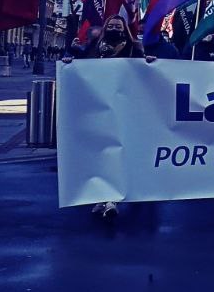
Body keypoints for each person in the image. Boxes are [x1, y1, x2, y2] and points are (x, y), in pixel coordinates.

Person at [60, 15, 155, 220]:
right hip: (97, 106)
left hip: (123, 107)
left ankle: (111, 197)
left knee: (117, 151)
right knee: (100, 151)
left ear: (124, 29)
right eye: (110, 25)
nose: (114, 28)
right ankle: (101, 196)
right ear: (105, 28)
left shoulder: (133, 47)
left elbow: (142, 71)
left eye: (117, 26)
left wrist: (149, 63)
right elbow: (82, 66)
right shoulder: (94, 46)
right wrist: (70, 59)